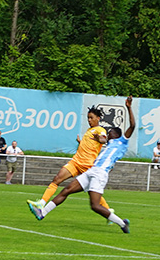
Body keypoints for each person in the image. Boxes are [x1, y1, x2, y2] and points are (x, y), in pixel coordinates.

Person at [27, 96, 134, 234]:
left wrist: (129, 107)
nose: (107, 132)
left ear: (117, 134)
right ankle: (42, 212)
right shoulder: (109, 145)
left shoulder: (121, 142)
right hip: (92, 171)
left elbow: (130, 127)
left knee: (94, 205)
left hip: (99, 174)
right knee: (66, 190)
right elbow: (99, 144)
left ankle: (122, 223)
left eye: (110, 132)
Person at [27, 104, 113, 217]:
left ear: (98, 118)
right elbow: (90, 146)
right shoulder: (89, 130)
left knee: (93, 192)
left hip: (88, 166)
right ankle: (41, 203)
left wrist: (100, 139)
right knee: (57, 179)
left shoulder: (100, 130)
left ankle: (108, 211)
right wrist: (81, 142)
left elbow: (103, 139)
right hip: (76, 162)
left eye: (91, 117)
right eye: (88, 117)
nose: (89, 120)